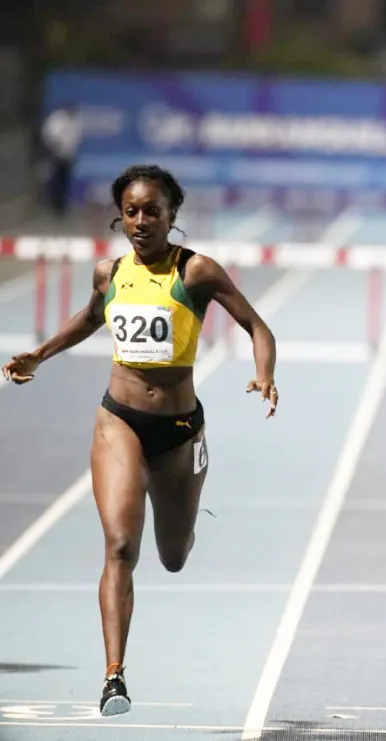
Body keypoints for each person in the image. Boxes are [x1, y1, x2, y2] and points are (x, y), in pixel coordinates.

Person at [2, 164, 279, 717]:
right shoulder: (110, 272)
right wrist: (41, 353)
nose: (141, 221)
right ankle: (114, 677)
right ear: (120, 217)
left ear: (173, 216)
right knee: (120, 546)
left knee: (172, 556)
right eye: (131, 211)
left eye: (153, 210)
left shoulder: (196, 271)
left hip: (178, 431)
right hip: (119, 420)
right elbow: (90, 317)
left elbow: (258, 327)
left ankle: (183, 510)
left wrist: (265, 372)